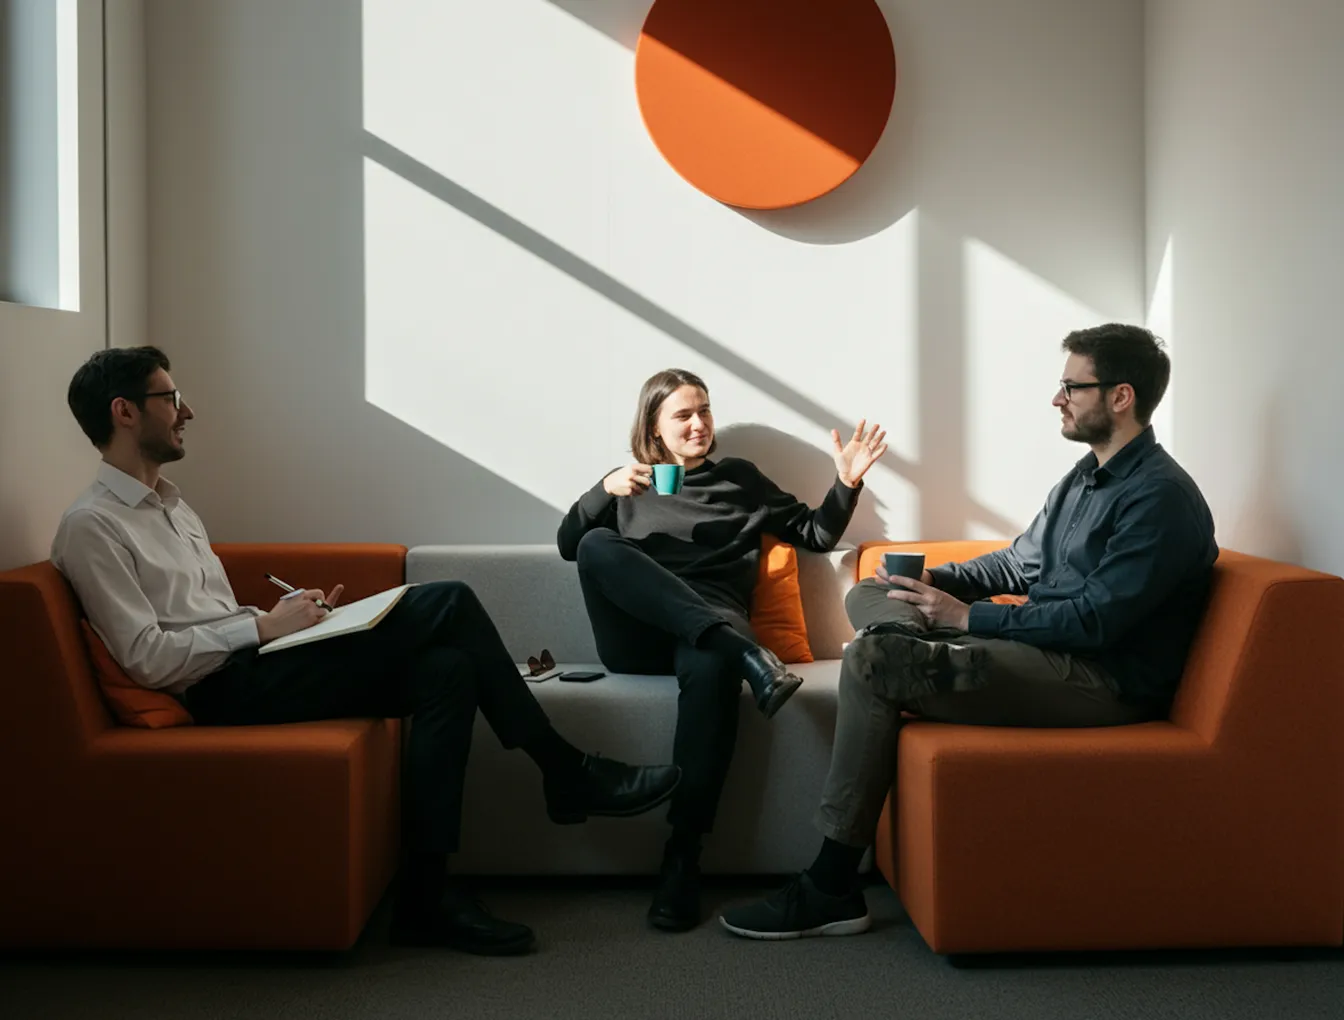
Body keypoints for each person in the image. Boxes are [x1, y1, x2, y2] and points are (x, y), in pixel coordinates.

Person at [51, 346, 682, 957]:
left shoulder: (175, 506)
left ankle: (426, 899)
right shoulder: (93, 526)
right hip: (216, 690)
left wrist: (284, 616)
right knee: (450, 601)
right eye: (172, 398)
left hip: (251, 662)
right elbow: (146, 658)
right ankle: (566, 773)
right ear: (125, 412)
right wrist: (264, 630)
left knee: (448, 671)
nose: (186, 411)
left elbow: (207, 615)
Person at [719, 323, 1218, 940]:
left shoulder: (1160, 498)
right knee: (870, 589)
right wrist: (930, 582)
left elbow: (1096, 621)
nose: (1057, 399)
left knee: (874, 663)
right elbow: (1014, 564)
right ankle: (907, 641)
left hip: (1099, 679)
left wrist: (965, 617)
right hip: (1041, 650)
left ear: (1121, 397)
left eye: (1071, 387)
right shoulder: (1084, 479)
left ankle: (830, 887)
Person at [557, 368, 888, 932]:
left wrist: (846, 484)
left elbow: (815, 536)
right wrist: (602, 489)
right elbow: (570, 548)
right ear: (654, 428)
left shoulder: (739, 479)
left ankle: (682, 857)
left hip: (711, 626)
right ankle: (744, 656)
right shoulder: (627, 485)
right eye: (683, 414)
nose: (699, 423)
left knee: (710, 661)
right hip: (638, 635)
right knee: (595, 543)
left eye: (704, 410)